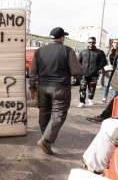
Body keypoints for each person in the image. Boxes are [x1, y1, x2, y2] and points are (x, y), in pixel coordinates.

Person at [29, 27, 81, 155]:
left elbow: (32, 72)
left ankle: (45, 137)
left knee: (44, 113)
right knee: (58, 115)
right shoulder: (68, 51)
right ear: (62, 37)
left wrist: (32, 88)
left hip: (42, 87)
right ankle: (46, 141)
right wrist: (79, 76)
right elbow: (76, 71)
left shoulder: (39, 51)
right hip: (60, 88)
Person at [77, 37, 107, 108]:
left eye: (93, 42)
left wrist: (97, 68)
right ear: (87, 42)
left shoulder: (100, 52)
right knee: (82, 88)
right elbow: (78, 61)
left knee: (92, 88)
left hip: (94, 74)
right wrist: (81, 69)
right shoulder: (83, 51)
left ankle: (90, 99)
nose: (91, 44)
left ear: (95, 42)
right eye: (89, 42)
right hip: (84, 74)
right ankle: (82, 102)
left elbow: (104, 62)